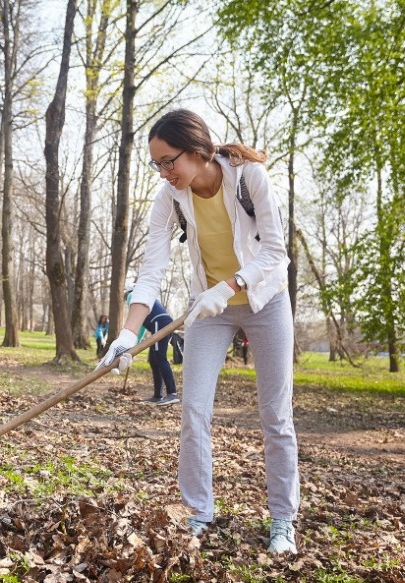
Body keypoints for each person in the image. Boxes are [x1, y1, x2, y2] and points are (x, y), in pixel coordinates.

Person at [98, 109, 299, 554]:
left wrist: (230, 286)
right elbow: (151, 272)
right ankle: (199, 512)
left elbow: (276, 252)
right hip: (210, 310)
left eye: (170, 161)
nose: (164, 172)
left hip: (265, 301)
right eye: (157, 164)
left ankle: (283, 519)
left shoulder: (249, 177)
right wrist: (128, 334)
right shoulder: (169, 197)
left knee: (275, 414)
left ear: (198, 151)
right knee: (192, 410)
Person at [124, 287, 179, 405]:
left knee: (160, 358)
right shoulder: (145, 296)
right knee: (154, 360)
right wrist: (134, 345)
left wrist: (133, 345)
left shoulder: (132, 296)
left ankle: (172, 393)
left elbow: (136, 320)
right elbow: (142, 326)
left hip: (159, 323)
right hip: (161, 323)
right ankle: (157, 395)